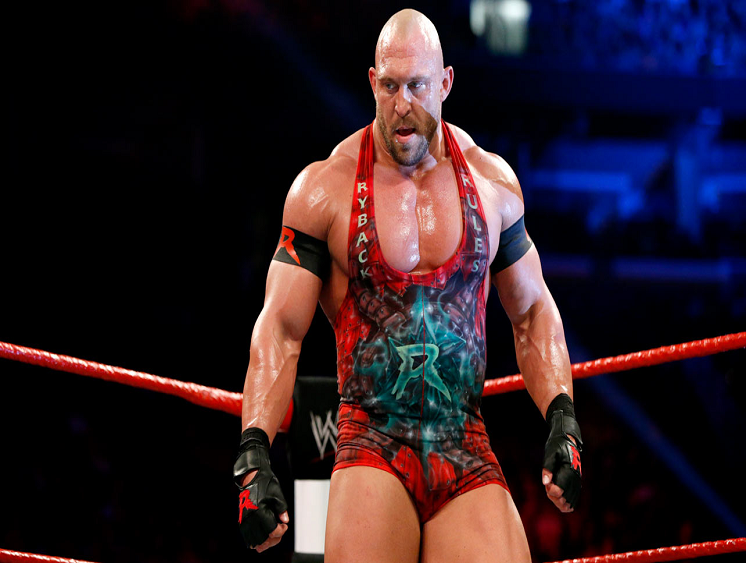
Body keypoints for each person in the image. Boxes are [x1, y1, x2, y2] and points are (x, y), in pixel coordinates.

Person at [232, 9, 583, 562]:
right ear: (373, 82)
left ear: (444, 83)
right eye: (390, 86)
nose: (402, 104)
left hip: (464, 440)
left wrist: (563, 419)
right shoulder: (323, 190)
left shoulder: (492, 184)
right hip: (370, 439)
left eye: (417, 86)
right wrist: (254, 454)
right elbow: (280, 328)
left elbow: (532, 312)